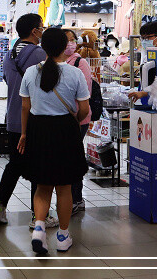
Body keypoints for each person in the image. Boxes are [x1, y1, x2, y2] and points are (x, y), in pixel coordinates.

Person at [18, 27, 89, 254]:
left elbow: (25, 107)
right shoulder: (74, 73)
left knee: (42, 184)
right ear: (63, 47)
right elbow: (84, 109)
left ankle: (39, 228)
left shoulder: (30, 72)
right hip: (66, 130)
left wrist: (24, 133)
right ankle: (63, 235)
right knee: (65, 187)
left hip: (38, 129)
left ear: (43, 46)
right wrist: (73, 122)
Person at [0, 13, 58, 230]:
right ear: (34, 31)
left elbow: (10, 82)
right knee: (40, 165)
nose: (43, 31)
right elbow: (48, 85)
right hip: (35, 118)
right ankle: (39, 216)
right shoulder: (39, 54)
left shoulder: (9, 54)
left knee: (16, 162)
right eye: (41, 27)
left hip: (14, 117)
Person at [63, 29, 93, 215]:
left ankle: (77, 198)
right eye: (66, 40)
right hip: (61, 119)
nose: (70, 43)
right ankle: (70, 198)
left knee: (73, 157)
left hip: (78, 118)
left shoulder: (80, 63)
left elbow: (84, 93)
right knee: (67, 157)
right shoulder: (56, 63)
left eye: (73, 40)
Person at [127, 20, 157, 103]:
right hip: (144, 96)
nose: (144, 41)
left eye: (147, 38)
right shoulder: (146, 55)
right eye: (142, 38)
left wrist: (143, 93)